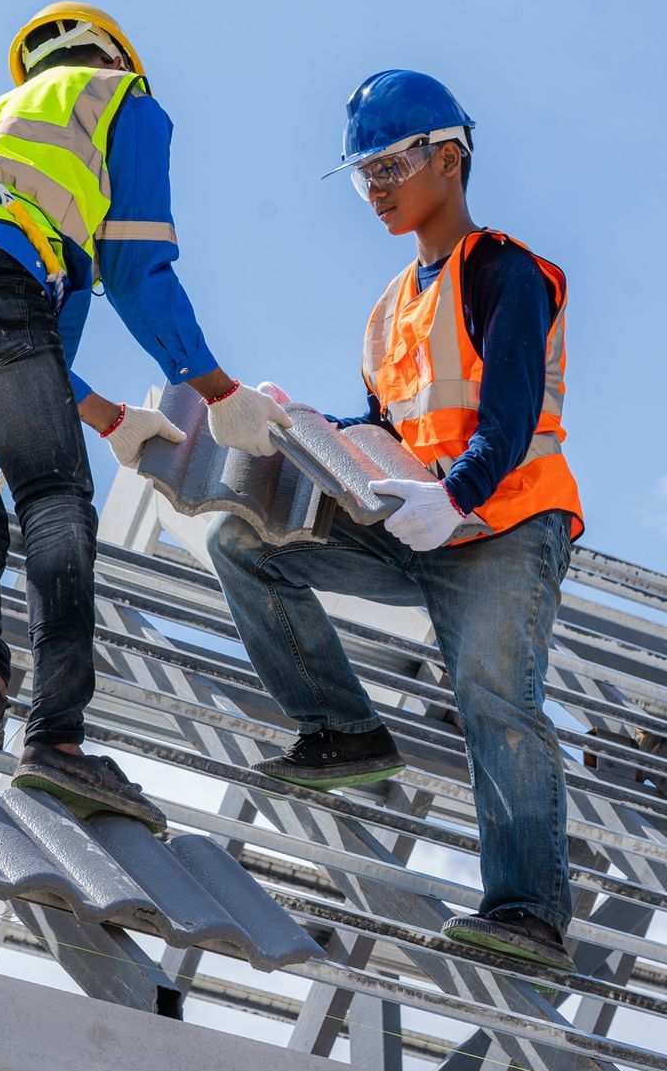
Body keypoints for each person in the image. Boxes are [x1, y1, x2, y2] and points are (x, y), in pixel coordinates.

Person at [0, 1, 290, 830]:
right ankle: (56, 739)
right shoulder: (121, 101)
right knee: (53, 500)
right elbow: (134, 273)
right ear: (116, 59)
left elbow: (26, 354)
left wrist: (110, 419)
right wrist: (217, 391)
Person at [205, 70, 585, 967]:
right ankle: (342, 729)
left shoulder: (503, 271)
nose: (373, 189)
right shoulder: (387, 309)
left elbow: (511, 413)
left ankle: (528, 914)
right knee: (243, 539)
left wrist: (456, 496)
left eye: (388, 167)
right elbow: (388, 427)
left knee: (497, 700)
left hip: (501, 528)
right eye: (361, 174)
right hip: (412, 518)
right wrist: (303, 427)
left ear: (448, 159)